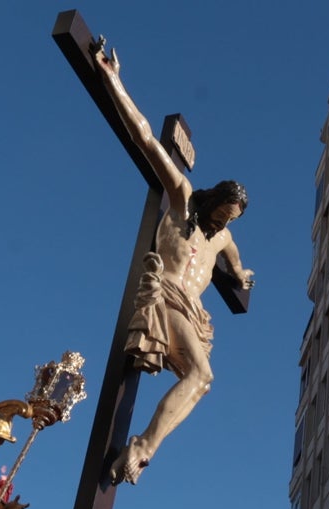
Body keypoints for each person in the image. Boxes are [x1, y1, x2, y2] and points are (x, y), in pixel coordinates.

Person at [92, 40, 255, 485]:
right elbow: (144, 135)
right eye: (220, 213)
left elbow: (237, 267)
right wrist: (113, 79)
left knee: (202, 381)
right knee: (203, 373)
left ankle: (144, 449)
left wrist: (241, 275)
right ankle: (142, 447)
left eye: (229, 220)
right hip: (164, 292)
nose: (221, 223)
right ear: (213, 199)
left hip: (192, 309)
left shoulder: (222, 237)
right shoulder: (183, 200)